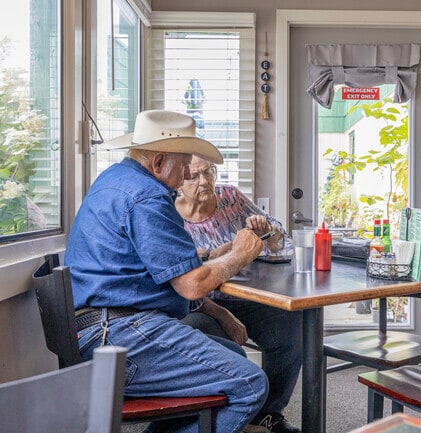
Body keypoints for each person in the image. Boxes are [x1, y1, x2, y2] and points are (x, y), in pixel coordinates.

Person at [64, 110, 269, 433]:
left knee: (232, 355)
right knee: (250, 382)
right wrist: (239, 256)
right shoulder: (147, 197)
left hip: (99, 329)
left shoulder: (114, 180)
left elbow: (160, 268)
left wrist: (215, 258)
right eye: (184, 162)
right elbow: (191, 286)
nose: (189, 171)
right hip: (117, 337)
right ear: (159, 162)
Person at [176, 155, 302, 433]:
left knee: (293, 322)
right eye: (194, 176)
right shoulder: (169, 215)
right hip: (202, 305)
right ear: (179, 182)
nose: (204, 181)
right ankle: (227, 416)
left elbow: (280, 239)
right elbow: (182, 280)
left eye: (208, 172)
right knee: (209, 341)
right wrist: (225, 315)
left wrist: (266, 231)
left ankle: (268, 413)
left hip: (248, 296)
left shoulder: (230, 197)